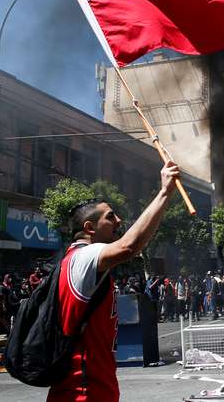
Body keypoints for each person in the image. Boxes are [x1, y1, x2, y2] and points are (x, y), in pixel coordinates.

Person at [47, 161, 180, 402]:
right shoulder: (84, 256)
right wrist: (165, 192)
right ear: (89, 228)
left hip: (93, 390)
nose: (119, 221)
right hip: (83, 393)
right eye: (110, 217)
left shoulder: (78, 261)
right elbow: (129, 246)